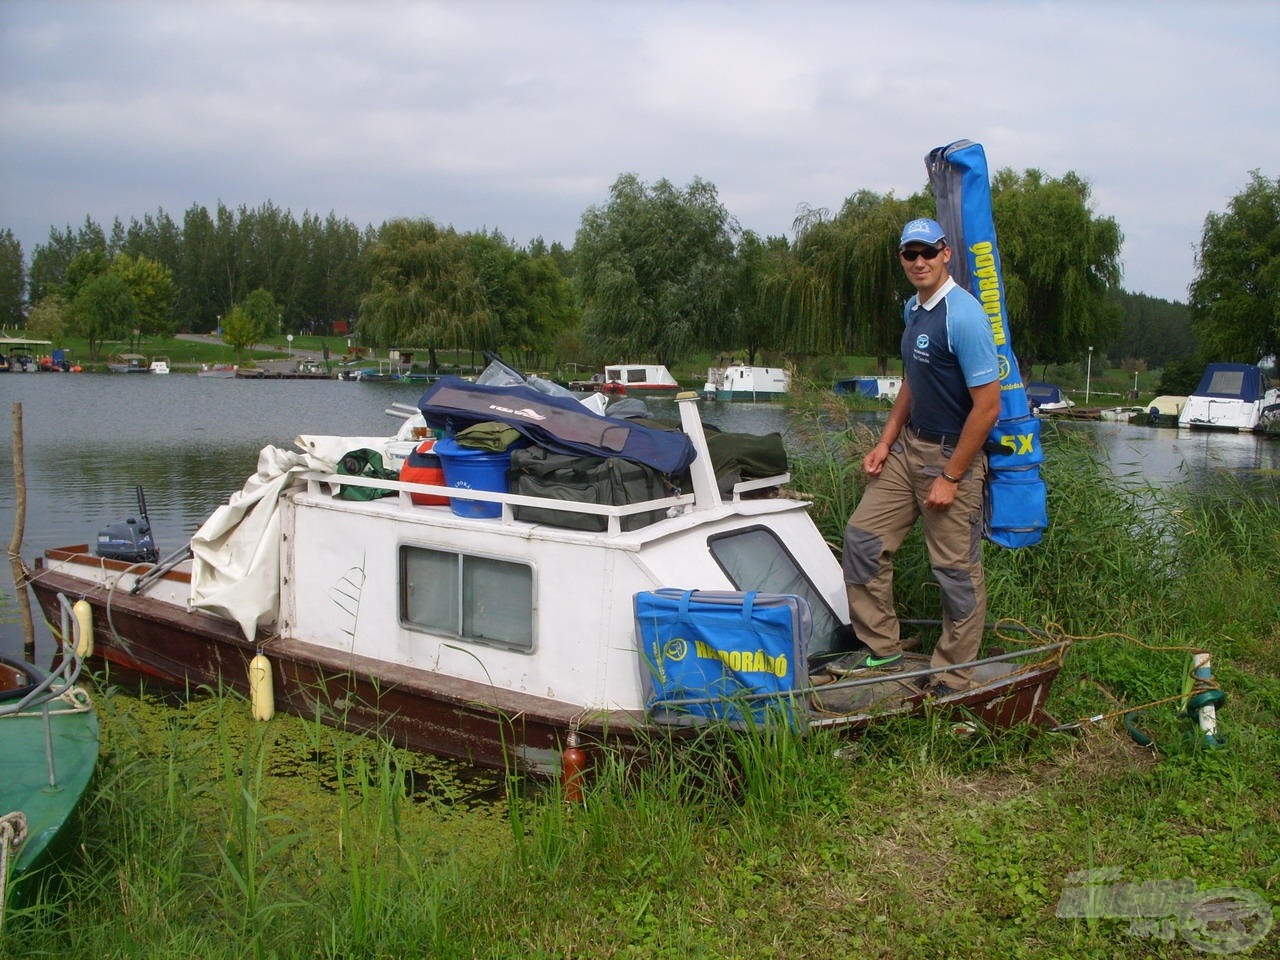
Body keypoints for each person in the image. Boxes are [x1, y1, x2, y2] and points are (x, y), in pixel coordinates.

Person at [823, 217, 1001, 695]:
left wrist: (952, 475)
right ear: (902, 259)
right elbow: (912, 383)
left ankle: (953, 674)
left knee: (955, 573)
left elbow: (987, 408)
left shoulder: (963, 316)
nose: (919, 261)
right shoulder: (914, 308)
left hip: (950, 455)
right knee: (862, 539)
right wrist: (885, 441)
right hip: (908, 450)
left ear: (946, 253)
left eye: (928, 252)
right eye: (909, 254)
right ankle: (883, 648)